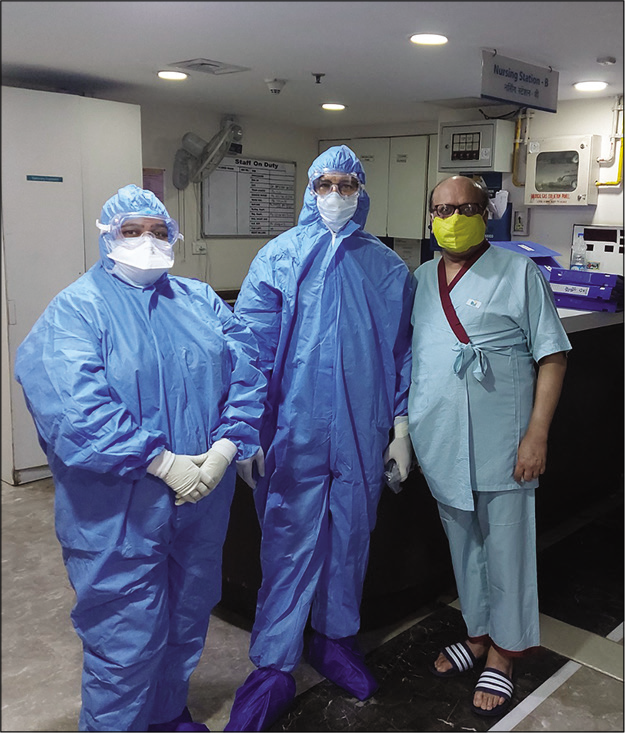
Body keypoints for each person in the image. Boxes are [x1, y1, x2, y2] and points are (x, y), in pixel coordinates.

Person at [14, 184, 266, 732]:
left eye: (158, 231)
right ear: (107, 237)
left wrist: (226, 446)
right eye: (132, 231)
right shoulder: (77, 311)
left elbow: (247, 370)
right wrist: (159, 462)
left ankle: (167, 712)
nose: (147, 242)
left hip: (203, 497)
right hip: (118, 512)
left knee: (186, 617)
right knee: (124, 639)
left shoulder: (198, 301)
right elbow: (73, 409)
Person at [224, 145, 415, 731]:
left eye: (346, 185)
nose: (336, 194)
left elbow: (405, 351)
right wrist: (244, 430)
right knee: (286, 541)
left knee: (351, 537)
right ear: (311, 190)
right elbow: (248, 348)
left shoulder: (386, 267)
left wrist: (401, 426)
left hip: (362, 429)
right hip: (293, 429)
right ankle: (274, 665)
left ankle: (335, 639)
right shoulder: (278, 258)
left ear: (361, 192)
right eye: (326, 183)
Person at [408, 175, 571, 717]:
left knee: (506, 550)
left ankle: (504, 651)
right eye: (441, 209)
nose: (452, 218)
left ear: (487, 212)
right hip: (441, 437)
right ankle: (476, 633)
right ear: (430, 216)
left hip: (504, 440)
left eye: (465, 207)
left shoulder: (519, 272)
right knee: (465, 548)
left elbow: (552, 355)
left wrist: (536, 434)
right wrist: (405, 430)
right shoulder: (422, 275)